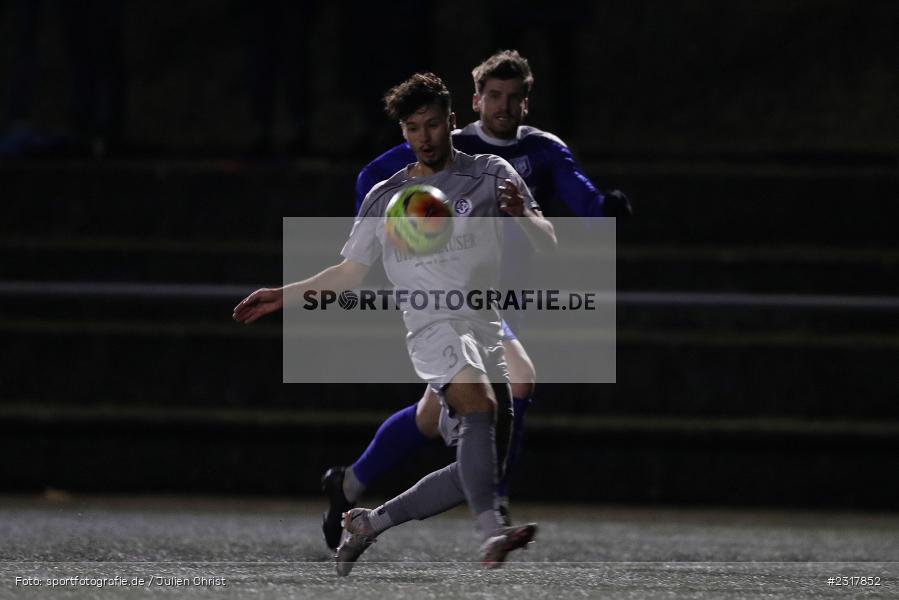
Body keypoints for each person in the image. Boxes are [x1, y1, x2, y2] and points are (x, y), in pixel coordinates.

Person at [234, 72, 553, 573]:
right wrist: (283, 295)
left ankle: (371, 522)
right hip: (431, 327)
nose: (423, 137)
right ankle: (492, 532)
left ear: (452, 121)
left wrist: (524, 220)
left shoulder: (492, 173)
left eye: (431, 125)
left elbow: (548, 240)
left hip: (484, 325)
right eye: (412, 128)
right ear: (402, 133)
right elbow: (347, 274)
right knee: (478, 406)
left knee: (478, 466)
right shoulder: (385, 198)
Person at [321, 50, 630, 550]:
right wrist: (391, 237)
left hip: (502, 298)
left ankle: (350, 486)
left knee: (429, 416)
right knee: (520, 380)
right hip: (454, 297)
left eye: (513, 97)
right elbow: (372, 184)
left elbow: (579, 199)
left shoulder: (537, 151)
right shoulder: (446, 143)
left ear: (526, 103)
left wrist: (601, 210)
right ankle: (495, 504)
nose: (502, 106)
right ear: (474, 101)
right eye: (493, 96)